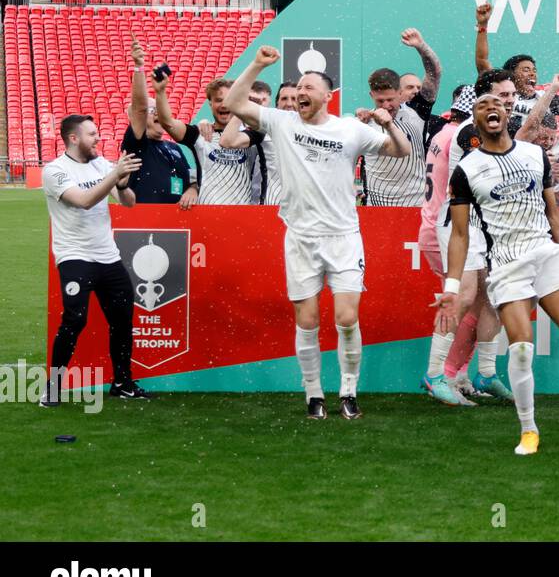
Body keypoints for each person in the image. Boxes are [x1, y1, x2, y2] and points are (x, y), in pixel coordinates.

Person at [223, 46, 411, 420]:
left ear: (327, 95)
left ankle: (348, 390)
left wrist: (387, 122)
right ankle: (313, 395)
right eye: (299, 88)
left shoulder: (350, 129)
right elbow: (233, 101)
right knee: (307, 321)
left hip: (343, 237)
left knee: (345, 318)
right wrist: (258, 64)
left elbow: (402, 151)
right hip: (301, 239)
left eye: (309, 87)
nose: (302, 93)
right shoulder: (281, 122)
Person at [438, 92, 559, 456]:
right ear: (476, 119)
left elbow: (554, 215)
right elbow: (459, 234)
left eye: (497, 105)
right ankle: (529, 429)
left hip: (546, 255)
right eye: (482, 106)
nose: (491, 109)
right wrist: (452, 287)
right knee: (520, 347)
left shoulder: (534, 156)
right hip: (506, 262)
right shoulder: (466, 170)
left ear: (506, 114)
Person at [41, 115, 147, 405]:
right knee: (75, 320)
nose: (98, 138)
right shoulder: (55, 171)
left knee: (123, 321)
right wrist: (114, 175)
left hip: (107, 256)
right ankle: (53, 387)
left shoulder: (101, 164)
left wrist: (122, 183)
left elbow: (128, 202)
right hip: (75, 256)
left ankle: (123, 382)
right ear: (73, 139)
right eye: (92, 134)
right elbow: (84, 200)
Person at [418, 85, 507, 406]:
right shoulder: (470, 131)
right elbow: (483, 176)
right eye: (499, 96)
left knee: (492, 297)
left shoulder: (498, 136)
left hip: (485, 226)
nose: (506, 100)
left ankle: (484, 371)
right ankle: (434, 373)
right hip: (459, 223)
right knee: (464, 294)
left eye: (508, 97)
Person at [154, 72, 263, 205]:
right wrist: (160, 92)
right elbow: (167, 122)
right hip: (206, 216)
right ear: (210, 103)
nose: (224, 105)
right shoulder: (198, 134)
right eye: (218, 100)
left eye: (230, 99)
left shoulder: (251, 136)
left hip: (241, 216)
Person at [122, 37, 197, 206]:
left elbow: (191, 178)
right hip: (146, 222)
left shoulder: (174, 148)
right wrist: (139, 66)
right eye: (152, 111)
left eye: (158, 109)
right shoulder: (136, 146)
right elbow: (139, 108)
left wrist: (193, 189)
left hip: (178, 223)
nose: (157, 114)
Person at [358, 67, 427, 206]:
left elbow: (434, 74)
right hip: (378, 207)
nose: (386, 106)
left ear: (400, 93)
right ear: (371, 95)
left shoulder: (417, 114)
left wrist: (421, 47)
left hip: (416, 204)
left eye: (390, 99)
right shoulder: (364, 123)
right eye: (380, 100)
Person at [475, 2, 540, 120]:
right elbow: (482, 60)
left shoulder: (543, 97)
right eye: (526, 70)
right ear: (511, 74)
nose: (532, 73)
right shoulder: (500, 88)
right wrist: (482, 25)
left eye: (534, 70)